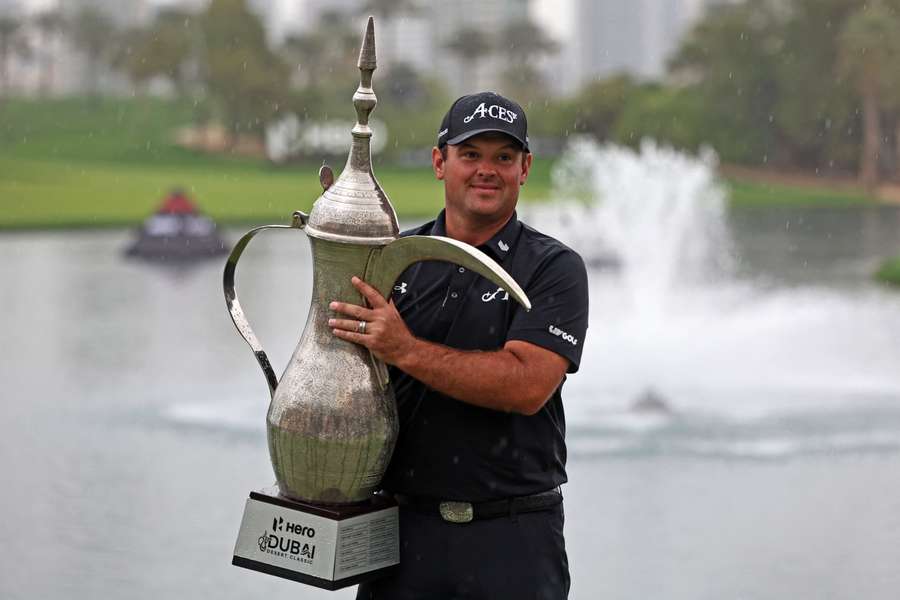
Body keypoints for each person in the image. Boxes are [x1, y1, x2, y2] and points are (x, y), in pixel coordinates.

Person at [328, 92, 589, 600]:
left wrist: (405, 349)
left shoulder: (553, 267)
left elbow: (527, 385)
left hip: (512, 538)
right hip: (401, 537)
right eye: (470, 154)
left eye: (503, 157)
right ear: (439, 162)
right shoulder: (391, 259)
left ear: (525, 168)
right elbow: (346, 384)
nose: (486, 170)